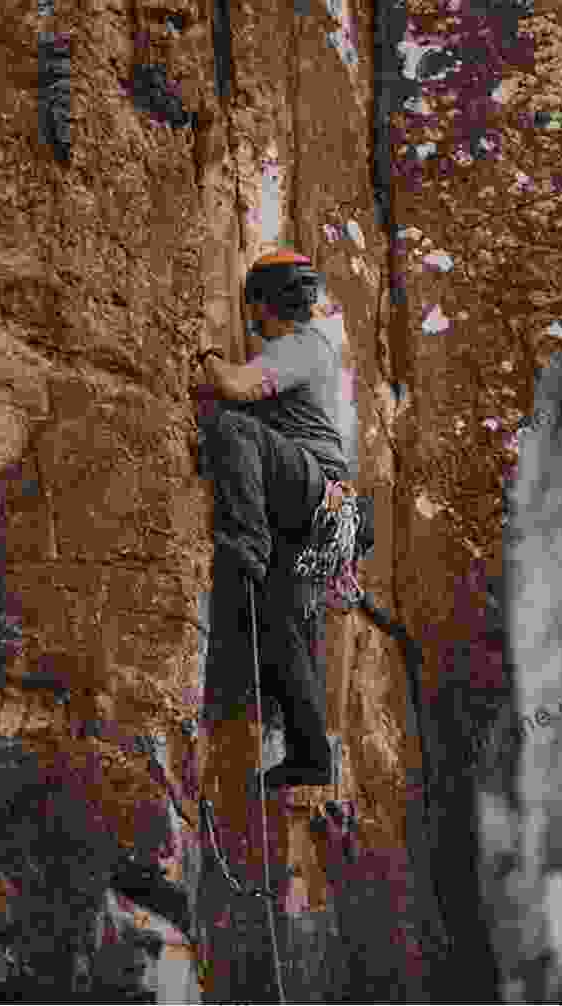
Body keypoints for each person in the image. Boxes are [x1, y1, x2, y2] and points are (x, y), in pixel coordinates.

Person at [196, 249, 353, 788]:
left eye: (254, 306)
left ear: (265, 303)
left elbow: (234, 388)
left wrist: (209, 357)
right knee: (277, 625)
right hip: (307, 503)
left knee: (231, 426)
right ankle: (311, 752)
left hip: (315, 489)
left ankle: (244, 548)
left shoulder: (303, 348)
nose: (251, 318)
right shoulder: (300, 353)